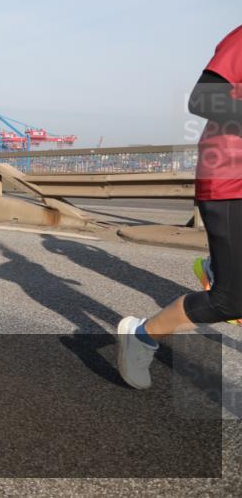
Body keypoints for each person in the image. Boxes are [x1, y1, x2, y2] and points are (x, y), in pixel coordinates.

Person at [118, 24, 242, 389]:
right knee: (230, 303)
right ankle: (142, 336)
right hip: (230, 178)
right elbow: (202, 99)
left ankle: (222, 265)